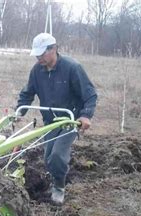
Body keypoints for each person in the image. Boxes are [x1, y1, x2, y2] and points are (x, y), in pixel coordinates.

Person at [16, 33, 97, 205]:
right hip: (50, 121)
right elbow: (27, 93)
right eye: (37, 55)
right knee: (48, 158)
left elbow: (90, 94)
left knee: (57, 156)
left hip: (69, 120)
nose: (39, 58)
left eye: (42, 54)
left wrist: (85, 115)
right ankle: (55, 181)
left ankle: (59, 188)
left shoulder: (72, 68)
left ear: (53, 49)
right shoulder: (37, 71)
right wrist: (18, 113)